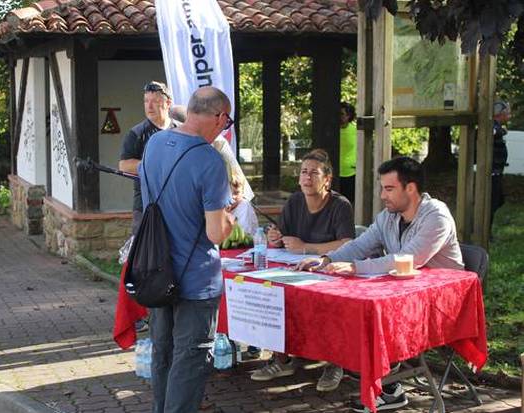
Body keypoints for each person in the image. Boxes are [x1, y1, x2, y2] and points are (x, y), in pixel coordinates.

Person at [297, 156, 464, 412]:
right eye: (381, 188)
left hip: (439, 307)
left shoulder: (437, 216)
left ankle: (385, 383)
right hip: (402, 297)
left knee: (370, 319)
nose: (382, 196)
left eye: (389, 188)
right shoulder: (389, 215)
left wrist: (356, 267)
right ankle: (385, 383)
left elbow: (407, 259)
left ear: (410, 188)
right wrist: (325, 259)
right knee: (356, 308)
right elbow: (360, 245)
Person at [141, 86, 235, 413]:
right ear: (220, 117)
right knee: (191, 356)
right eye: (227, 121)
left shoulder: (154, 144)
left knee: (163, 352)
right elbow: (216, 233)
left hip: (156, 270)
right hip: (196, 279)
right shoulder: (209, 159)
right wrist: (230, 217)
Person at [250, 149, 354, 391]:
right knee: (273, 295)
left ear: (327, 179)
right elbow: (281, 237)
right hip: (295, 270)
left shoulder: (340, 205)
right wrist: (275, 238)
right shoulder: (295, 201)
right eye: (304, 172)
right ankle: (282, 358)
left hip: (330, 272)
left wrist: (306, 248)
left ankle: (335, 363)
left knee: (332, 305)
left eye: (314, 173)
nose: (307, 178)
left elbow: (348, 243)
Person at [119, 81, 176, 235]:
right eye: (146, 101)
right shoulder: (137, 133)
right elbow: (124, 165)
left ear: (168, 103)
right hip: (145, 205)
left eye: (155, 101)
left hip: (177, 202)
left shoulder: (180, 131)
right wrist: (156, 166)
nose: (149, 106)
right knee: (145, 254)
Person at [491, 100, 509, 230]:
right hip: (491, 172)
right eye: (507, 113)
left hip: (497, 171)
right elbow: (492, 132)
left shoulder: (497, 126)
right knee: (491, 203)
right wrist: (501, 131)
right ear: (499, 114)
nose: (509, 116)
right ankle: (485, 231)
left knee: (499, 200)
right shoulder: (493, 126)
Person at [339, 102, 357, 204]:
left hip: (351, 174)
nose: (339, 117)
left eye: (342, 114)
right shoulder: (331, 130)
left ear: (349, 115)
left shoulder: (356, 129)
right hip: (333, 173)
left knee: (348, 203)